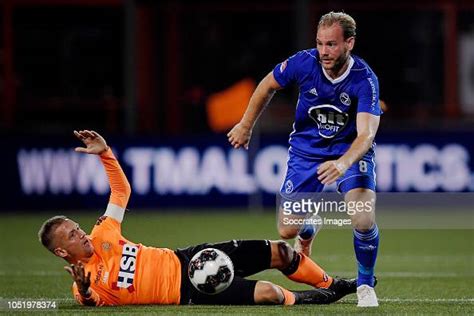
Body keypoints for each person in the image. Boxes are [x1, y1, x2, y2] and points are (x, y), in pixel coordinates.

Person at [38, 129, 358, 307]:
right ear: (62, 252)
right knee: (269, 295)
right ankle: (314, 301)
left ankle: (333, 285)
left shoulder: (102, 234)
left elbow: (120, 192)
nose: (80, 233)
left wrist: (106, 154)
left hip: (191, 257)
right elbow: (91, 302)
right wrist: (82, 290)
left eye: (76, 227)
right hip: (188, 291)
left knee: (282, 252)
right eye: (71, 235)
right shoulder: (86, 285)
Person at [227, 12, 381, 307]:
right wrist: (246, 125)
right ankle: (310, 223)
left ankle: (365, 284)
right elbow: (266, 85)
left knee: (362, 216)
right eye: (320, 43)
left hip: (349, 152)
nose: (323, 51)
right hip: (306, 153)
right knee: (287, 230)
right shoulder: (303, 62)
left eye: (332, 45)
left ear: (349, 43)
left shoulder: (365, 79)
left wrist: (342, 163)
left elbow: (366, 134)